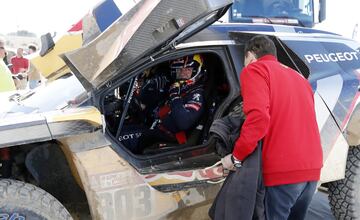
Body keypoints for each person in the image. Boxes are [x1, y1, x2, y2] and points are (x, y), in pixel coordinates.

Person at [221, 35, 323, 220]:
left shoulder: (255, 70)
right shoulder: (299, 78)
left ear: (250, 56)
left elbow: (258, 118)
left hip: (283, 172)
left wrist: (236, 157)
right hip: (311, 170)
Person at [121, 54, 206, 154]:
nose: (183, 74)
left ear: (196, 70)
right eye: (180, 70)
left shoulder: (196, 95)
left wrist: (174, 96)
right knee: (119, 129)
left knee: (119, 140)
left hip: (166, 137)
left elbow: (184, 122)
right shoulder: (180, 89)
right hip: (155, 128)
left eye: (187, 70)